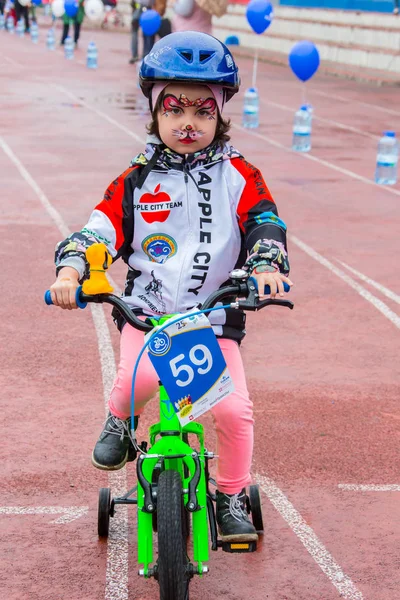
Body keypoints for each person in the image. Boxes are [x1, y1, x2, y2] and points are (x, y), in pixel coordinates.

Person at [49, 32, 293, 542]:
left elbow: (265, 222)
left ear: (221, 116)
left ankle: (229, 494)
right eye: (175, 109)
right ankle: (120, 421)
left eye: (203, 111)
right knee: (135, 383)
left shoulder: (240, 175)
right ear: (156, 114)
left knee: (231, 410)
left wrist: (267, 264)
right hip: (149, 312)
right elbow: (98, 231)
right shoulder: (135, 181)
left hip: (213, 318)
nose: (188, 122)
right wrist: (72, 269)